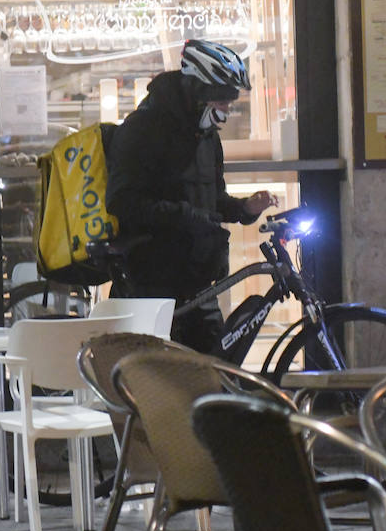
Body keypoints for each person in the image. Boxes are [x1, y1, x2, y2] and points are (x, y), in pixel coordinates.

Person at [105, 39, 278, 353]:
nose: (227, 109)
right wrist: (187, 216)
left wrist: (245, 208)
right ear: (199, 92)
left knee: (211, 372)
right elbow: (122, 202)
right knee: (153, 383)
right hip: (150, 284)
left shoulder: (206, 136)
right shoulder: (141, 130)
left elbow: (214, 199)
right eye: (223, 101)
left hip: (197, 282)